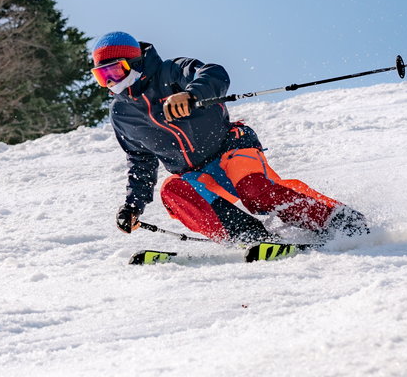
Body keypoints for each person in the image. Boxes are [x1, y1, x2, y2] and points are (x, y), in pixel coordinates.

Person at [90, 31, 369, 245]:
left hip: (230, 149)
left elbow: (213, 72)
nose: (112, 82)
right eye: (103, 77)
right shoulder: (122, 114)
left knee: (254, 190)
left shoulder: (171, 71)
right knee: (173, 192)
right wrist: (133, 206)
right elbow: (140, 160)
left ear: (136, 61)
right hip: (193, 174)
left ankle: (337, 219)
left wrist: (192, 94)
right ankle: (249, 237)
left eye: (115, 71)